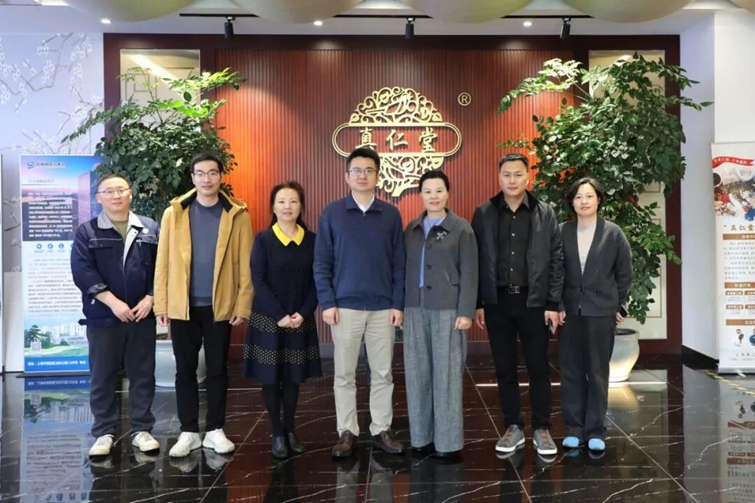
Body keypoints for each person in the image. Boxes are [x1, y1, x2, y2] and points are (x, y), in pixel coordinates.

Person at [154, 153, 253, 458]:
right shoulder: (174, 213)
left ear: (221, 176)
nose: (206, 179)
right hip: (183, 305)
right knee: (184, 370)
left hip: (220, 305)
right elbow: (162, 261)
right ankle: (188, 431)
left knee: (218, 369)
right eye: (200, 173)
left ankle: (214, 430)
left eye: (212, 173)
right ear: (192, 178)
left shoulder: (236, 214)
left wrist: (243, 304)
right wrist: (162, 303)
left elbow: (246, 264)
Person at [314, 147, 406, 458]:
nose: (363, 175)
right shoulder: (332, 213)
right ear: (347, 176)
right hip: (345, 307)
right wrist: (327, 302)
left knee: (382, 373)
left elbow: (399, 263)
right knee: (344, 374)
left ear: (378, 176)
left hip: (383, 308)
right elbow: (321, 262)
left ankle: (381, 428)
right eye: (357, 170)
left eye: (369, 170)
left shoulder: (390, 214)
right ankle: (347, 431)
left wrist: (398, 304)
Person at [471, 152, 564, 457]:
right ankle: (513, 426)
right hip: (497, 302)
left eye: (518, 174)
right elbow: (475, 260)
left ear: (528, 177)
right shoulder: (484, 213)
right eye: (506, 175)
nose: (512, 180)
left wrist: (552, 303)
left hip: (534, 302)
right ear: (499, 178)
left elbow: (556, 260)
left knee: (538, 367)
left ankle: (542, 428)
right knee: (504, 368)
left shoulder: (545, 213)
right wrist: (478, 302)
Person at [71, 173, 160, 457]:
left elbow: (162, 267)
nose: (116, 195)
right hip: (104, 317)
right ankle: (104, 432)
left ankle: (142, 430)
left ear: (130, 194)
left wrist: (151, 298)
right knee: (103, 376)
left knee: (143, 374)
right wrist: (113, 303)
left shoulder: (149, 227)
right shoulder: (87, 231)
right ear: (99, 198)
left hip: (141, 315)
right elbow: (83, 272)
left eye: (121, 190)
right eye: (108, 191)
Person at [243, 181, 323, 459]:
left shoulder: (312, 240)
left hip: (300, 318)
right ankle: (277, 431)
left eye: (293, 201)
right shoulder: (263, 239)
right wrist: (279, 315)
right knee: (270, 378)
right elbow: (258, 280)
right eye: (281, 201)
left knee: (293, 378)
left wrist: (304, 312)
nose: (287, 206)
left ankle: (290, 430)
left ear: (301, 207)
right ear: (273, 207)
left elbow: (318, 280)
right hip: (269, 318)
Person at [403, 170, 478, 458]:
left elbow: (470, 271)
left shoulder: (461, 228)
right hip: (414, 307)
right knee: (417, 372)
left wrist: (466, 311)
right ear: (420, 195)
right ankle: (421, 438)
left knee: (447, 375)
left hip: (449, 307)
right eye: (427, 191)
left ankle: (448, 443)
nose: (433, 196)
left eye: (439, 190)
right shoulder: (411, 229)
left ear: (448, 193)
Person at [558, 177, 632, 452]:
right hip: (569, 312)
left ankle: (596, 430)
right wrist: (557, 305)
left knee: (598, 372)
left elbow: (624, 273)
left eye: (589, 196)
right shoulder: (562, 231)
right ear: (572, 202)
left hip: (601, 312)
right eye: (578, 197)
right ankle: (574, 429)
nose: (584, 201)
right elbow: (554, 272)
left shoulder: (613, 233)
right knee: (571, 371)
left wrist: (617, 305)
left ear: (599, 199)